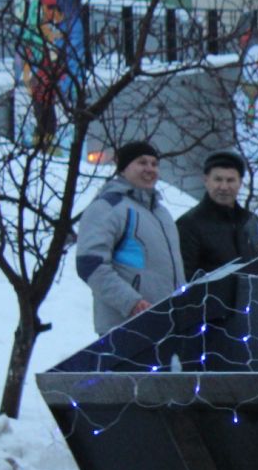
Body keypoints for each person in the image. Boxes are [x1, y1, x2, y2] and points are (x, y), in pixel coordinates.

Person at [76, 141, 184, 334]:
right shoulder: (108, 207)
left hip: (167, 324)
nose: (150, 169)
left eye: (154, 164)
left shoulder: (162, 214)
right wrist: (131, 302)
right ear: (124, 169)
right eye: (142, 163)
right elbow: (90, 264)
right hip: (126, 328)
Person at [177, 149, 258, 279]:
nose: (224, 187)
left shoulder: (248, 221)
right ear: (206, 180)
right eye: (218, 179)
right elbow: (184, 277)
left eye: (230, 180)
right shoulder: (189, 224)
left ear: (240, 183)